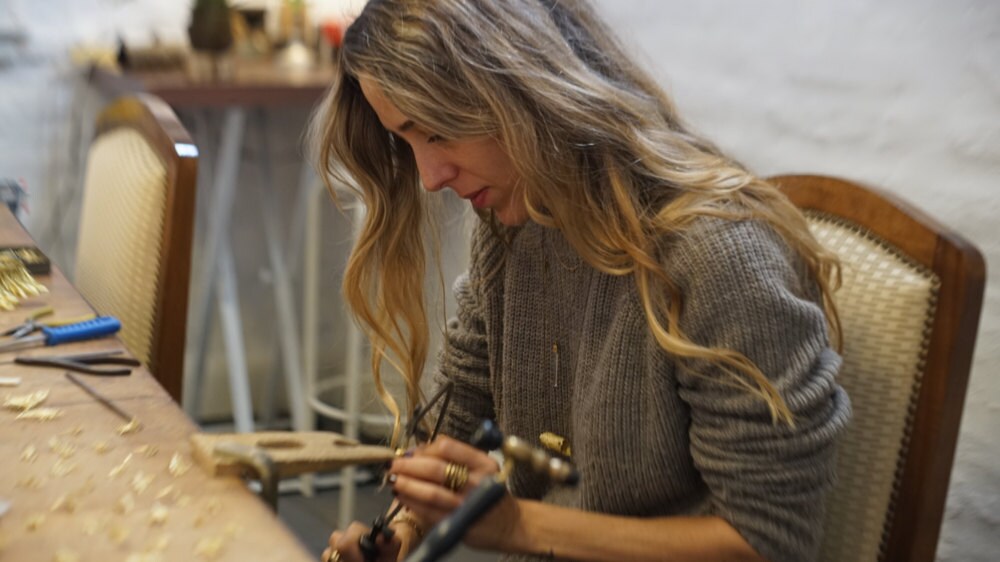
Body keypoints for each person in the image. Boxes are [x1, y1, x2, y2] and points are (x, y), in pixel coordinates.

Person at [310, 0, 852, 561]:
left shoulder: (717, 256)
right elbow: (461, 406)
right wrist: (402, 532)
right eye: (407, 142)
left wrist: (517, 525)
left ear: (521, 89)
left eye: (438, 132)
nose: (428, 178)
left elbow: (767, 543)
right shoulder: (517, 223)